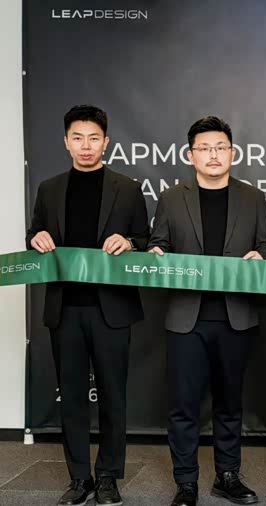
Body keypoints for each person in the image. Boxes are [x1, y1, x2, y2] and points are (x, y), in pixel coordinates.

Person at [148, 116, 266, 506]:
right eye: (204, 148)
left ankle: (227, 475)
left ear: (232, 153)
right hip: (187, 318)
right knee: (183, 405)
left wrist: (262, 255)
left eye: (220, 147)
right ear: (191, 155)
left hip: (236, 316)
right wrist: (157, 252)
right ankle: (186, 482)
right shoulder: (172, 198)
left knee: (229, 403)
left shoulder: (252, 197)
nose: (213, 155)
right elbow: (158, 243)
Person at [26, 104, 149, 506]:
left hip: (111, 308)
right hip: (65, 308)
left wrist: (129, 242)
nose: (85, 145)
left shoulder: (127, 188)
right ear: (66, 142)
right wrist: (35, 238)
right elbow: (34, 233)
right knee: (72, 398)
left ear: (106, 142)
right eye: (77, 138)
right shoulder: (48, 189)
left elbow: (145, 240)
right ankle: (79, 478)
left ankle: (109, 477)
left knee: (113, 395)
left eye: (93, 138)